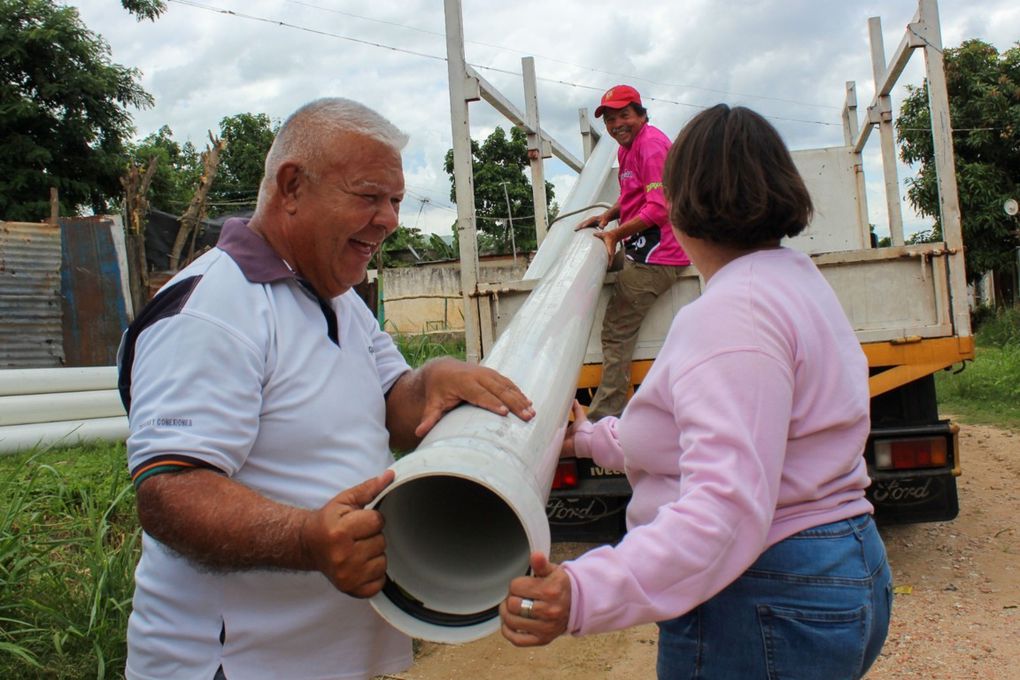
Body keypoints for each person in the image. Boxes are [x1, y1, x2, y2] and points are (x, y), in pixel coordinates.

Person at [117, 98, 534, 680]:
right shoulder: (213, 310)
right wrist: (307, 539)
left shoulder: (336, 295)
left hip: (334, 658)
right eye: (369, 196)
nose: (389, 218)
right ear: (291, 186)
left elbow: (393, 406)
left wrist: (432, 378)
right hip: (234, 664)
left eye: (394, 200)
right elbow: (170, 493)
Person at [499, 104, 892, 679]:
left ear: (679, 207)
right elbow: (697, 436)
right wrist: (585, 440)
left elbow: (726, 508)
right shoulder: (795, 282)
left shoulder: (734, 315)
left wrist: (584, 591)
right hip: (840, 563)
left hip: (762, 590)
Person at [576, 84, 691, 420]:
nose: (616, 124)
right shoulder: (627, 149)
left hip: (659, 257)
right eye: (610, 119)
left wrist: (615, 234)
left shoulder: (651, 146)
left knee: (616, 331)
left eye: (624, 115)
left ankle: (602, 419)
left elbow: (659, 209)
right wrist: (608, 216)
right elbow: (634, 195)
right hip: (643, 249)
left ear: (641, 114)